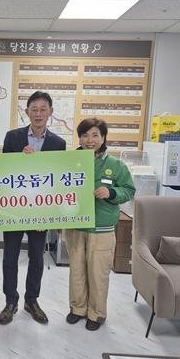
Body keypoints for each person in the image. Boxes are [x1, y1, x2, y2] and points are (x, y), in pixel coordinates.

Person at [0, 91, 66, 326]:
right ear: (27, 112)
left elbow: (57, 178)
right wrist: (21, 158)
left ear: (50, 112)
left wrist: (54, 217)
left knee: (37, 257)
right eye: (34, 109)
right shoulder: (13, 137)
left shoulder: (58, 143)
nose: (38, 113)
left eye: (43, 109)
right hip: (14, 208)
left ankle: (31, 300)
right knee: (10, 256)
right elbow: (3, 171)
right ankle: (10, 301)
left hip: (40, 211)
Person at [64, 118, 135, 331]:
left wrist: (111, 192)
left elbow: (129, 190)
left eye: (95, 135)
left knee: (98, 274)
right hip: (75, 226)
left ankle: (96, 313)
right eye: (85, 135)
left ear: (103, 138)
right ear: (79, 138)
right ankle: (78, 309)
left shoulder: (115, 165)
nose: (90, 140)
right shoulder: (69, 161)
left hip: (102, 228)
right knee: (77, 272)